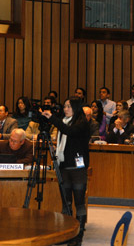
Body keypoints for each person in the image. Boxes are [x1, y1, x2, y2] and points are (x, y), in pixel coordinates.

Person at [41, 96, 91, 246]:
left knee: (79, 202)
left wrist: (53, 119)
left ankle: (79, 233)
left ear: (75, 108)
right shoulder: (63, 122)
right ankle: (66, 232)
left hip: (77, 167)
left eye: (68, 106)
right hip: (63, 165)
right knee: (66, 202)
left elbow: (69, 131)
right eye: (64, 106)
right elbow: (63, 130)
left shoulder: (82, 123)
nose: (65, 109)